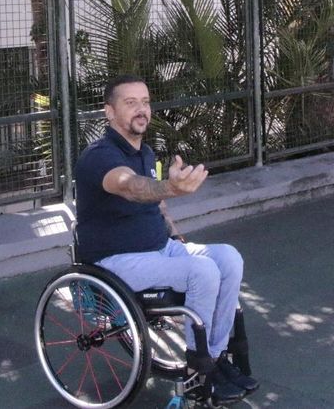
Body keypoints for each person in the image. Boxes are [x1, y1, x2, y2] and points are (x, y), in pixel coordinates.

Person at [74, 74, 258, 404]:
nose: (141, 109)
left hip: (160, 249)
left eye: (145, 102)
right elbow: (129, 186)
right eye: (130, 103)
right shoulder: (98, 157)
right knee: (201, 271)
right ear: (109, 112)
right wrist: (171, 188)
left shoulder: (146, 153)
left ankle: (213, 360)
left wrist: (176, 236)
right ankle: (197, 369)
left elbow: (156, 205)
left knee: (229, 257)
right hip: (117, 260)